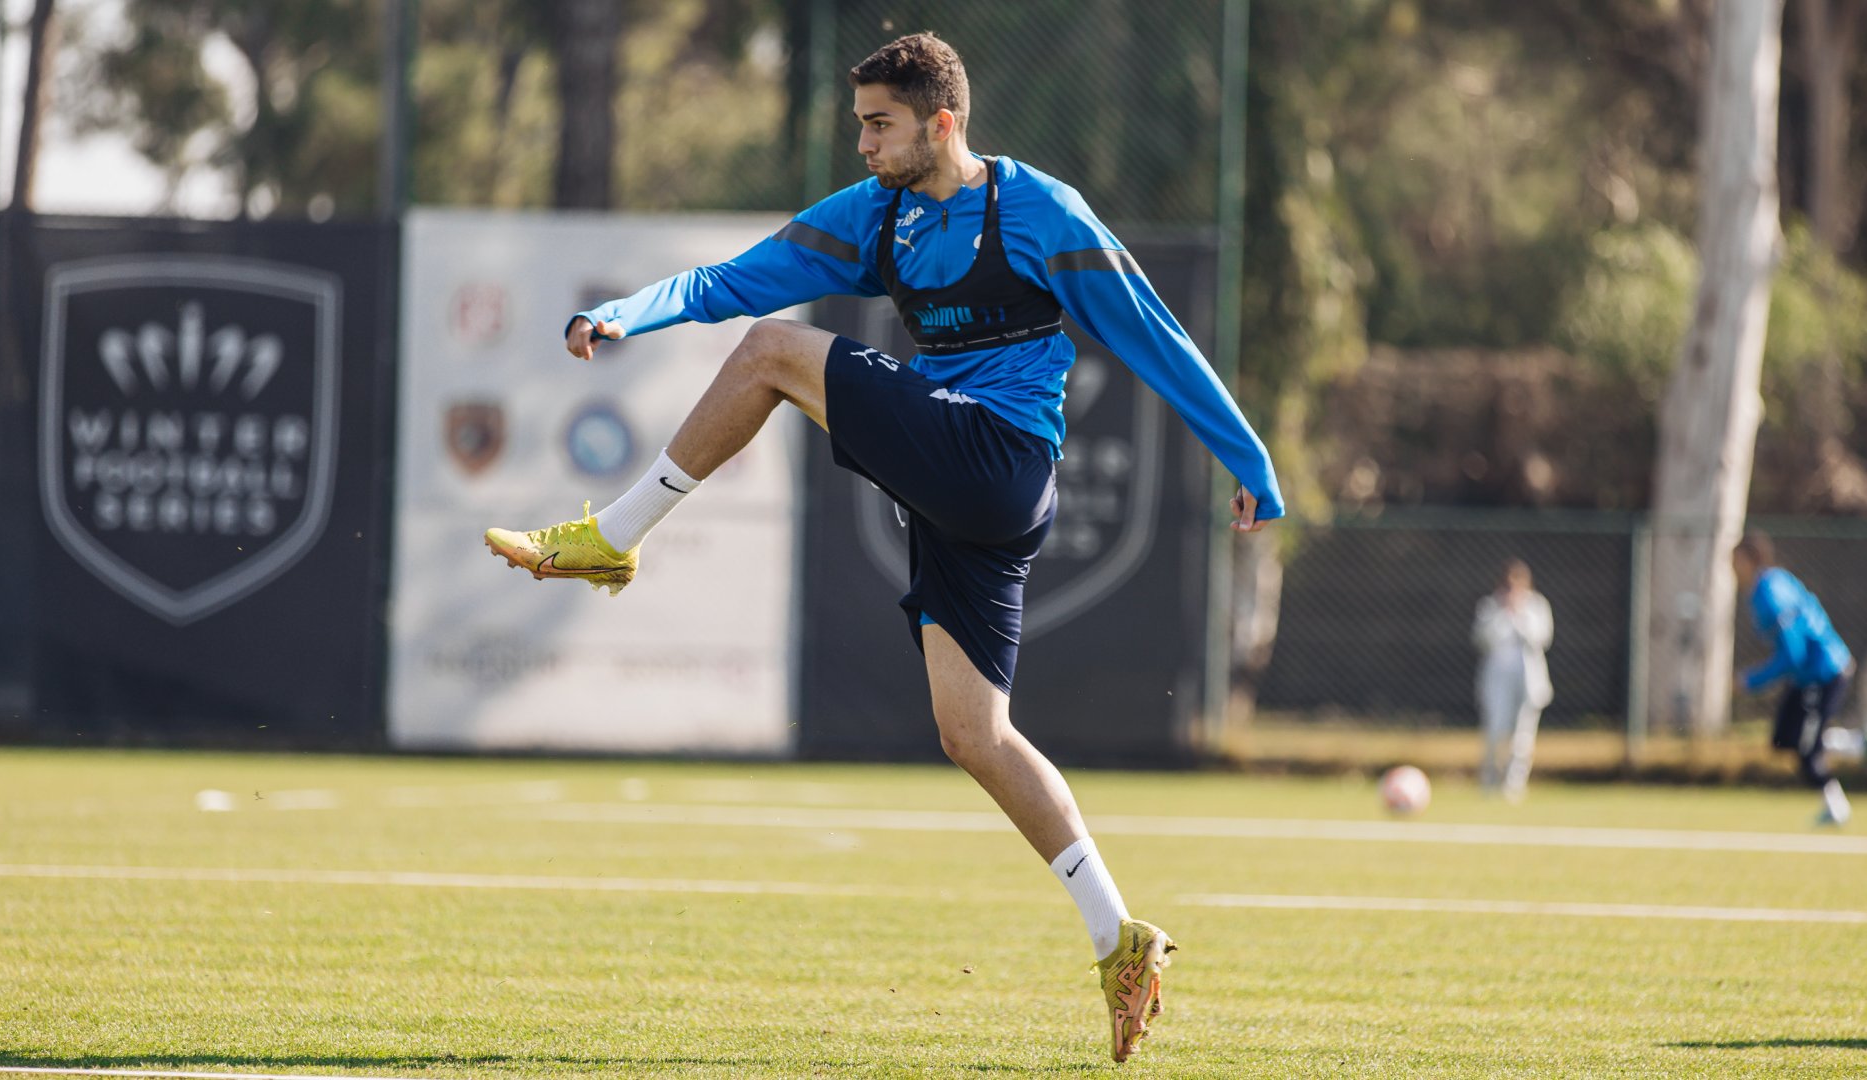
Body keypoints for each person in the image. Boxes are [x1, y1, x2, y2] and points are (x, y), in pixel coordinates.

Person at [481, 32, 1282, 1063]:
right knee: (973, 735)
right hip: (965, 502)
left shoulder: (1040, 211)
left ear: (941, 122)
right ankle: (1120, 937)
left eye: (878, 123)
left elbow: (1153, 336)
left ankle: (611, 538)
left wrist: (1250, 461)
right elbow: (736, 278)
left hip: (999, 460)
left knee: (775, 354)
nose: (861, 143)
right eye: (860, 122)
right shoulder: (879, 215)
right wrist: (622, 316)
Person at [1732, 530, 1867, 826]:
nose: (1732, 569)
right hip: (1808, 676)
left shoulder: (1770, 594)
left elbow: (1794, 654)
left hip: (1823, 673)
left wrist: (1751, 680)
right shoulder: (1772, 583)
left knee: (1807, 749)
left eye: (1735, 561)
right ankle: (1857, 745)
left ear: (1749, 559)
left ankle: (1837, 808)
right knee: (1782, 739)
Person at [1472, 559, 1553, 802]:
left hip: (1528, 679)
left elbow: (1541, 638)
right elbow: (1482, 640)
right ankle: (1489, 780)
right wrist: (1503, 614)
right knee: (1496, 729)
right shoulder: (1489, 607)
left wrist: (1519, 616)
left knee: (1523, 735)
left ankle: (1514, 785)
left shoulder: (1536, 606)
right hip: (1497, 678)